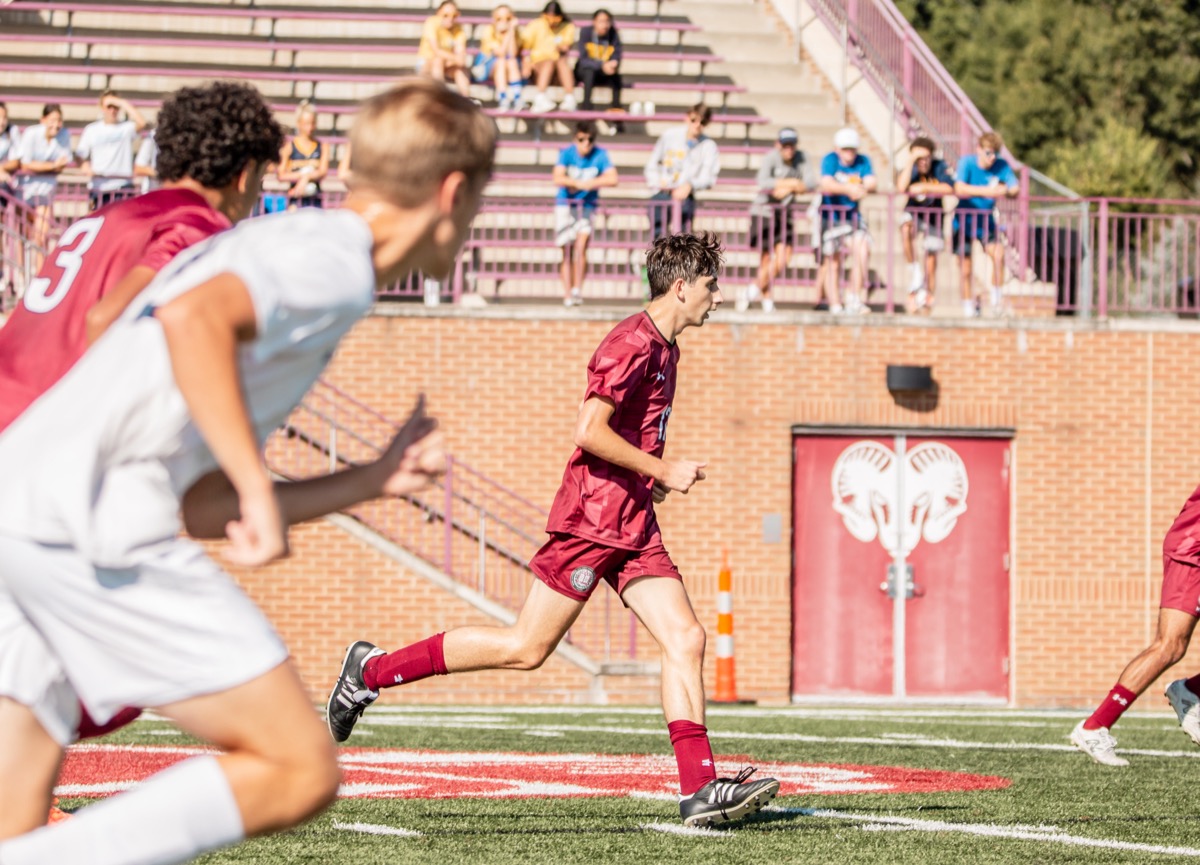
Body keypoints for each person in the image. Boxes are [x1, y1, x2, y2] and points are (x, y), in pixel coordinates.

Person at [0, 80, 496, 863]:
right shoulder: (335, 259)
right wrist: (258, 486)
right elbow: (195, 318)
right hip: (86, 523)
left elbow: (201, 506)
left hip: (25, 509)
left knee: (12, 823)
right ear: (453, 192)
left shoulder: (285, 246)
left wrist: (369, 479)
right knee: (297, 768)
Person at [326, 232, 781, 829]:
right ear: (680, 286)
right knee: (526, 648)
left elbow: (628, 437)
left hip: (633, 522)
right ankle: (370, 671)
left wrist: (649, 478)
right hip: (592, 521)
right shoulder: (630, 343)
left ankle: (699, 788)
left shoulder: (668, 349)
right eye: (710, 285)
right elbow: (588, 430)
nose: (717, 297)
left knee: (686, 638)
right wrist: (660, 468)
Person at [0, 80, 285, 835]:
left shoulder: (104, 218)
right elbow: (111, 319)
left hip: (17, 434)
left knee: (47, 666)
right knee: (113, 671)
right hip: (40, 464)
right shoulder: (194, 225)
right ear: (246, 172)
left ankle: (23, 815)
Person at [1071, 484, 1200, 767]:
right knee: (1169, 645)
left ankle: (1191, 691)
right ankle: (1094, 727)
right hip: (1192, 552)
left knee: (1172, 646)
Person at [741, 127, 814, 314]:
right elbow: (763, 182)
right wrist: (793, 184)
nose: (789, 149)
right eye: (785, 145)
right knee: (766, 259)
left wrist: (788, 187)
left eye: (792, 145)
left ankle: (751, 290)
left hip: (784, 213)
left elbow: (811, 182)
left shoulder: (802, 158)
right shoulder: (771, 157)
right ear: (778, 144)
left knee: (783, 258)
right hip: (764, 212)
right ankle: (767, 300)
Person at [952, 131, 1018, 318]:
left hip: (986, 222)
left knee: (998, 255)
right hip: (963, 221)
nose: (992, 158)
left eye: (995, 153)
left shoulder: (1001, 165)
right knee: (965, 268)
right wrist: (987, 191)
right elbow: (959, 188)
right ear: (979, 149)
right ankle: (968, 308)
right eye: (988, 153)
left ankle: (996, 301)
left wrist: (1005, 190)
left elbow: (1015, 188)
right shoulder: (967, 163)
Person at [553, 120, 617, 306]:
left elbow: (613, 178)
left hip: (587, 206)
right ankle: (567, 294)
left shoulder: (600, 154)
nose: (586, 144)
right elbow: (557, 177)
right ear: (575, 138)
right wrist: (576, 184)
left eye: (590, 139)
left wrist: (590, 184)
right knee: (567, 251)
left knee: (581, 248)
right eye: (582, 139)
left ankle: (577, 290)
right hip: (565, 205)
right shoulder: (566, 153)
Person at [816, 126, 876, 314]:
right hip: (830, 217)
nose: (849, 153)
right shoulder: (830, 160)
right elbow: (826, 183)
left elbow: (872, 181)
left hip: (853, 218)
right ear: (837, 148)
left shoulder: (863, 161)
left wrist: (862, 188)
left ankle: (854, 297)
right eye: (845, 149)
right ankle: (835, 303)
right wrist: (848, 189)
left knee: (863, 250)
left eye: (852, 149)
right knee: (833, 260)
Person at [644, 103, 720, 240]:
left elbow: (709, 177)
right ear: (687, 117)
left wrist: (690, 185)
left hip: (686, 197)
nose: (697, 125)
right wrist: (658, 183)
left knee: (684, 240)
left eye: (702, 122)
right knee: (658, 238)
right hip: (662, 193)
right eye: (694, 120)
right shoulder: (669, 136)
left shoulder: (709, 146)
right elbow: (652, 164)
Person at [897, 136, 954, 314]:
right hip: (914, 214)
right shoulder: (911, 168)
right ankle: (914, 271)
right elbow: (901, 187)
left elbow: (949, 188)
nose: (923, 162)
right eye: (919, 158)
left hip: (934, 217)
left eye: (926, 157)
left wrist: (924, 188)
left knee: (931, 261)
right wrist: (911, 161)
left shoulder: (939, 167)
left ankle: (927, 297)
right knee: (906, 228)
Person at [15, 103, 71, 270]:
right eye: (52, 120)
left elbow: (62, 164)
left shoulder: (64, 134)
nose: (56, 124)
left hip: (45, 192)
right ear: (43, 120)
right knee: (23, 236)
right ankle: (22, 273)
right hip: (24, 191)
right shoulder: (31, 134)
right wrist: (51, 166)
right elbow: (25, 164)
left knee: (41, 236)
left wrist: (41, 166)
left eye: (59, 120)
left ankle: (39, 273)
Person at [75, 90, 148, 211]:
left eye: (116, 107)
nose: (112, 110)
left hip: (122, 186)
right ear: (102, 107)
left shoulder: (126, 128)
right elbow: (80, 154)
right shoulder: (92, 129)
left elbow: (142, 122)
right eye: (109, 106)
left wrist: (122, 102)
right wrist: (84, 165)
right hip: (99, 187)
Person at [521, 1, 578, 113]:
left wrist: (562, 47)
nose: (551, 22)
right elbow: (524, 47)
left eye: (555, 19)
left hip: (558, 69)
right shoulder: (536, 25)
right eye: (548, 18)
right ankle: (540, 97)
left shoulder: (567, 26)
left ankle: (570, 98)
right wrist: (526, 63)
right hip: (538, 66)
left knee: (561, 61)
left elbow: (567, 45)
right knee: (549, 62)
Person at [276, 100, 330, 210]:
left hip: (314, 202)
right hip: (295, 201)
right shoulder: (289, 147)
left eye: (312, 123)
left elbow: (322, 172)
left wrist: (306, 177)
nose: (310, 127)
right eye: (306, 123)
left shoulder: (322, 146)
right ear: (298, 123)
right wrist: (302, 176)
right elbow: (281, 175)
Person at [474, 4, 524, 110]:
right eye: (499, 18)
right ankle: (503, 98)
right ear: (494, 19)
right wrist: (509, 32)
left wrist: (511, 31)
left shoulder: (515, 32)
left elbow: (513, 53)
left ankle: (517, 98)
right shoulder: (489, 31)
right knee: (501, 61)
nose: (503, 21)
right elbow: (500, 53)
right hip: (488, 69)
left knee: (511, 61)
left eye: (508, 18)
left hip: (508, 68)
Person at [418, 0, 472, 98]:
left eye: (454, 16)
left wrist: (456, 59)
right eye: (446, 15)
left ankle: (467, 99)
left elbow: (461, 57)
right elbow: (436, 51)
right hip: (427, 62)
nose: (450, 19)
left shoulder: (458, 28)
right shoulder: (431, 23)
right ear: (438, 13)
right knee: (438, 61)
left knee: (460, 70)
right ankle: (440, 97)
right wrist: (455, 58)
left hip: (446, 64)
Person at [575, 9, 622, 112]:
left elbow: (617, 54)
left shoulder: (613, 34)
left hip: (603, 71)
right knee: (589, 72)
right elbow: (584, 60)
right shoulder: (586, 32)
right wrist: (602, 65)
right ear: (594, 22)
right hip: (585, 71)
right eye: (601, 21)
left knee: (616, 77)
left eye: (607, 21)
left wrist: (614, 63)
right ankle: (586, 109)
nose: (604, 25)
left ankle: (616, 109)